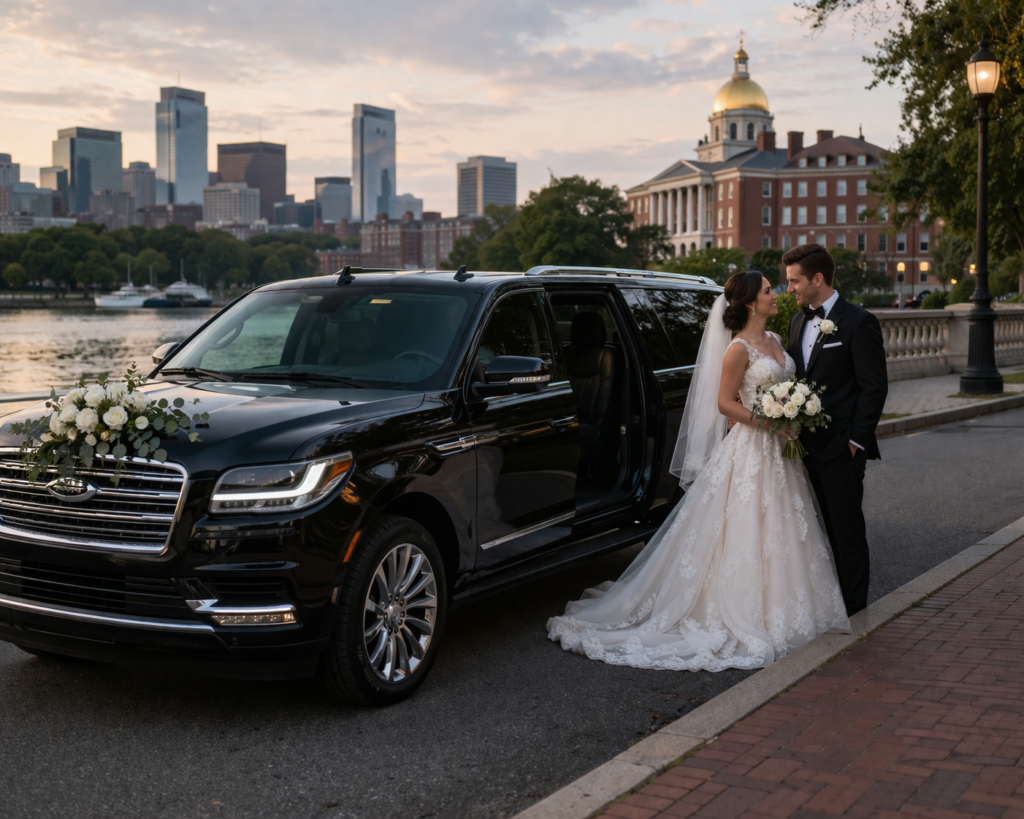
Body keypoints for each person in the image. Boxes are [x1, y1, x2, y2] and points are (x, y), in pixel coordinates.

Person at [547, 270, 849, 673]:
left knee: (784, 526)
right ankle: (743, 612)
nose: (775, 294)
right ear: (747, 303)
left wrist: (793, 409)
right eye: (766, 291)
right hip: (753, 448)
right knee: (746, 529)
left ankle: (788, 610)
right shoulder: (737, 349)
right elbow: (726, 404)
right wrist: (772, 421)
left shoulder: (776, 341)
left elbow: (785, 387)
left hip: (782, 453)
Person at [782, 244, 887, 616]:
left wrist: (855, 443)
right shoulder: (797, 322)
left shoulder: (860, 322)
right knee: (814, 532)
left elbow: (873, 388)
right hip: (800, 448)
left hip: (842, 448)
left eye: (794, 280)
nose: (789, 287)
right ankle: (826, 604)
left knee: (846, 531)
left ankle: (854, 609)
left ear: (818, 279)